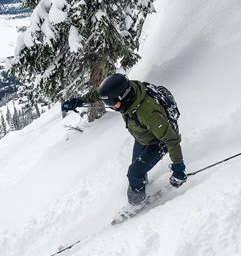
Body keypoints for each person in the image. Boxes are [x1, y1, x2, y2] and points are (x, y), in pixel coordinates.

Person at [61, 73, 187, 207]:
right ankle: (142, 186)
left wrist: (178, 168)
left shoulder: (147, 112)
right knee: (137, 167)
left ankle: (136, 203)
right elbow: (99, 94)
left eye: (113, 103)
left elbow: (171, 139)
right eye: (108, 102)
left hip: (159, 142)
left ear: (124, 97)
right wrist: (78, 101)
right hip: (143, 136)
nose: (112, 106)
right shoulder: (124, 90)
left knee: (134, 173)